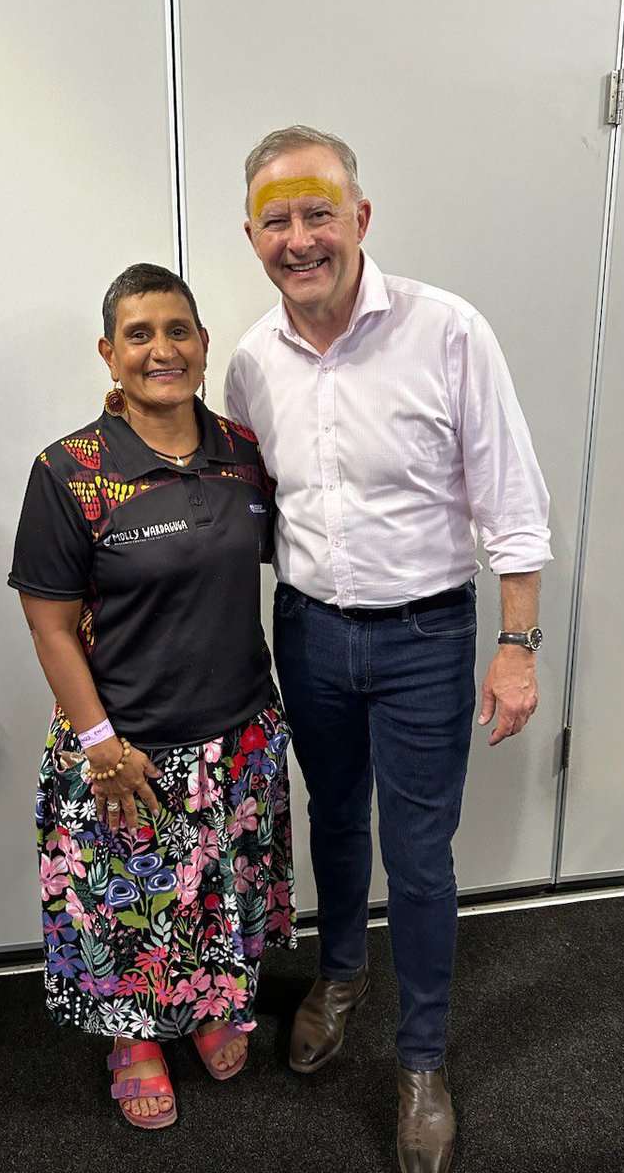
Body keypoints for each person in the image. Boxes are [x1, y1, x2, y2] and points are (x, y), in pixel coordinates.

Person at [225, 126, 552, 1173]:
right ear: (253, 237)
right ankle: (340, 972)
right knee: (333, 824)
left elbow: (512, 500)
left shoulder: (446, 330)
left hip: (423, 635)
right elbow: (243, 506)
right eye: (277, 219)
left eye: (318, 210)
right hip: (310, 631)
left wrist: (516, 645)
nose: (300, 236)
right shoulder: (248, 362)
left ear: (360, 219)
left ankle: (420, 1062)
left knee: (418, 858)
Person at [8, 263, 296, 1130]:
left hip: (238, 734)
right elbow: (51, 626)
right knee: (129, 900)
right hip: (124, 744)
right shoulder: (72, 471)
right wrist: (100, 740)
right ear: (110, 351)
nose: (161, 350)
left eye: (178, 331)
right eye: (140, 334)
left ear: (205, 346)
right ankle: (133, 1041)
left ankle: (207, 1006)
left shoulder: (244, 455)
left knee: (214, 888)